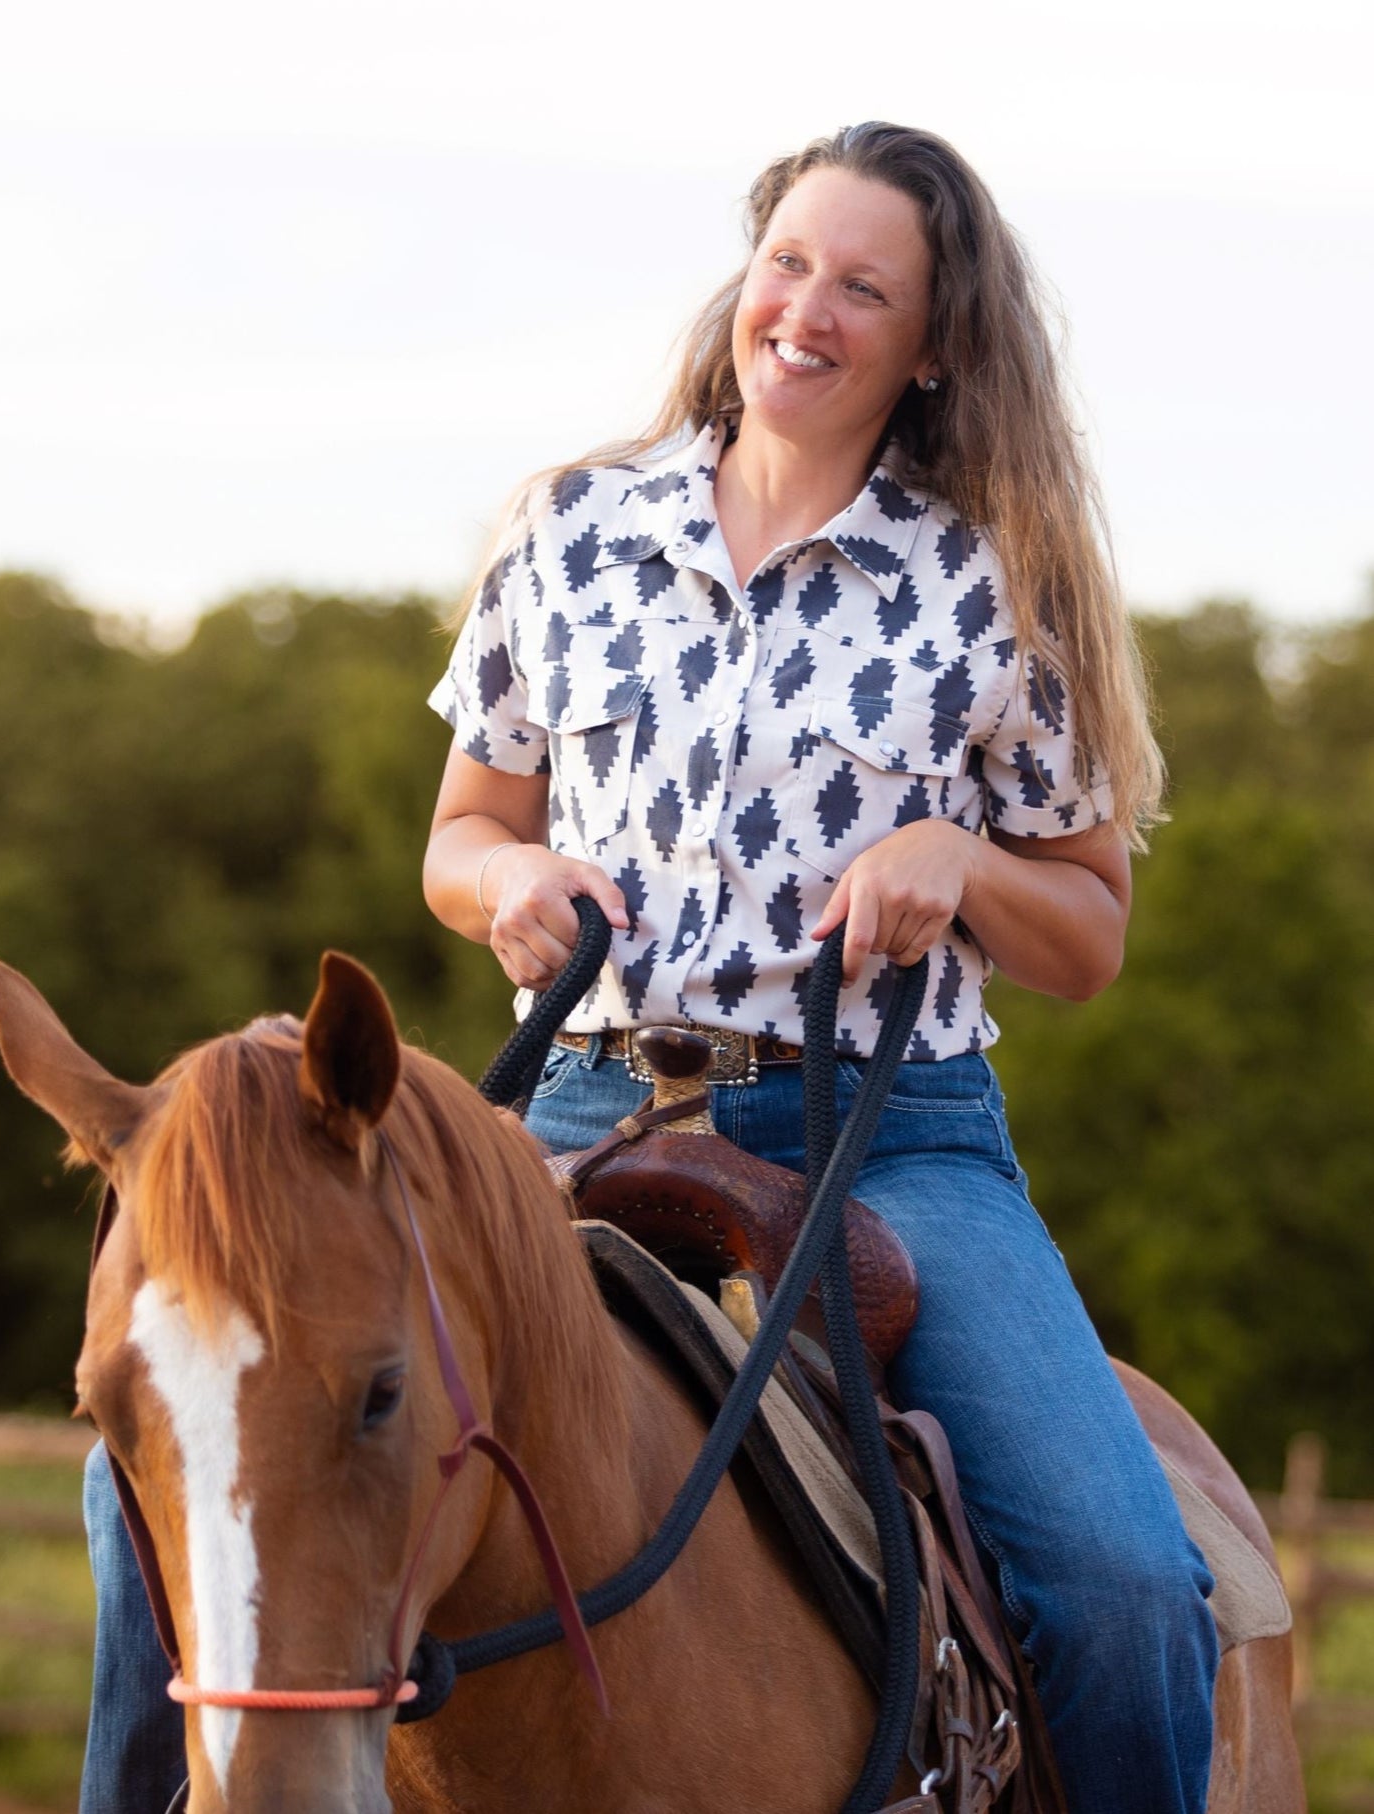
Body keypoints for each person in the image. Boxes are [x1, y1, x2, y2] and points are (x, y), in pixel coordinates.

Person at [422, 122, 1218, 1812]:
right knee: (213, 1438)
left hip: (886, 1129)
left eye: (864, 287)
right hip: (582, 1099)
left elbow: (1083, 933)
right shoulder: (566, 528)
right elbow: (460, 830)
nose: (807, 308)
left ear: (929, 346)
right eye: (789, 261)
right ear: (744, 276)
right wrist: (508, 878)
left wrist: (965, 863)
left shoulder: (1000, 580)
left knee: (1125, 1582)